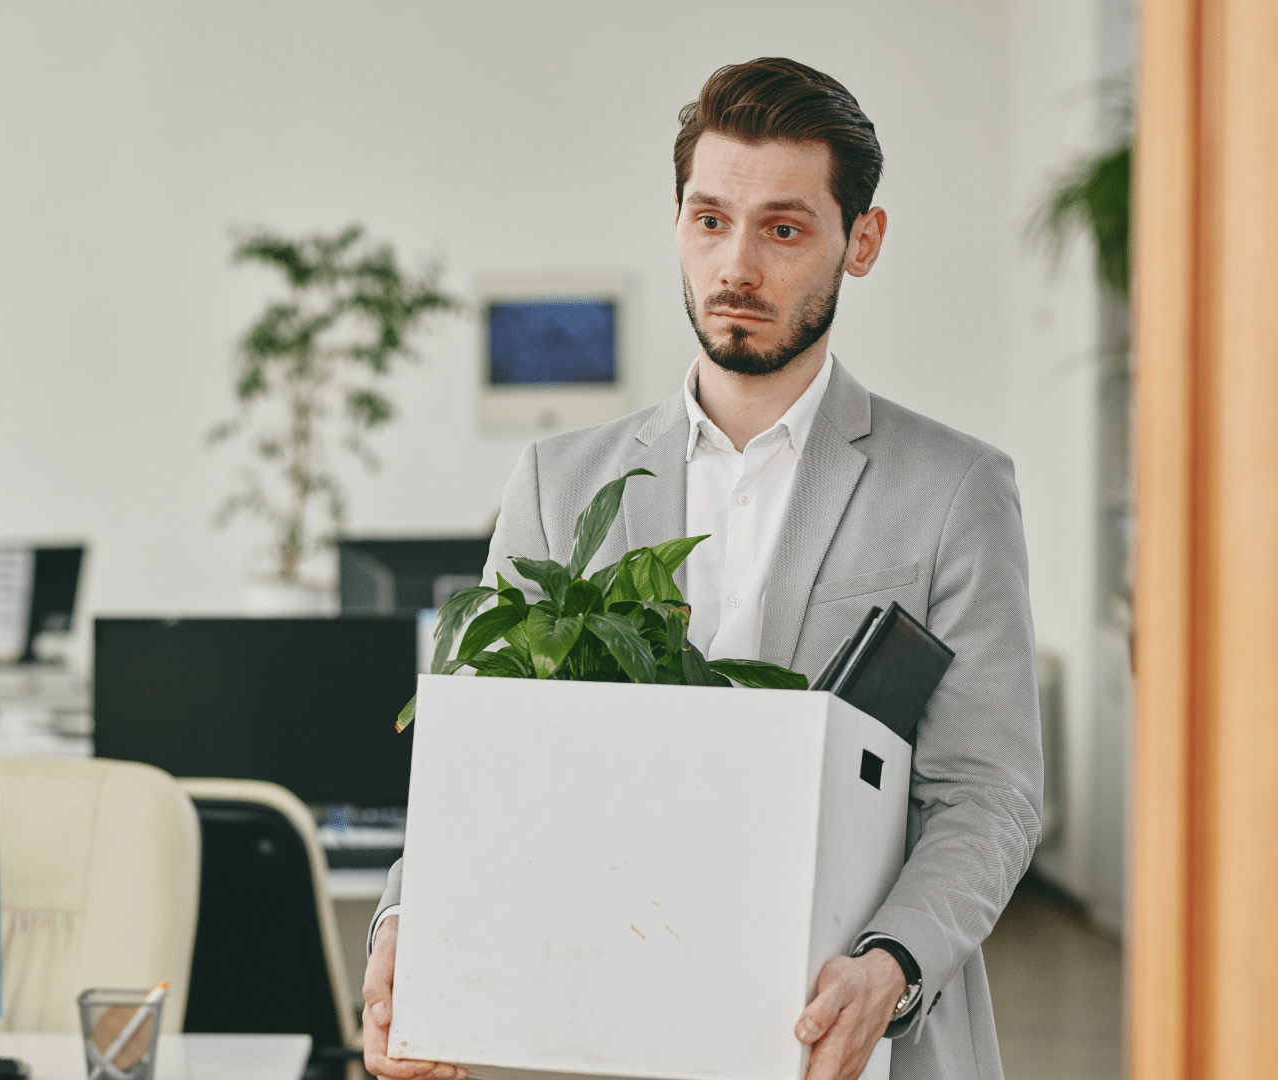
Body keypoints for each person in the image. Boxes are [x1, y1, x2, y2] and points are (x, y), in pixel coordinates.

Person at [361, 57, 1043, 1080]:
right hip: (604, 1030)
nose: (737, 265)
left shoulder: (955, 491)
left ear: (861, 242)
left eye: (783, 227)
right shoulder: (557, 482)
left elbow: (988, 796)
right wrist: (408, 924)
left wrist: (890, 966)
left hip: (852, 1040)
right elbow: (484, 764)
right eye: (708, 219)